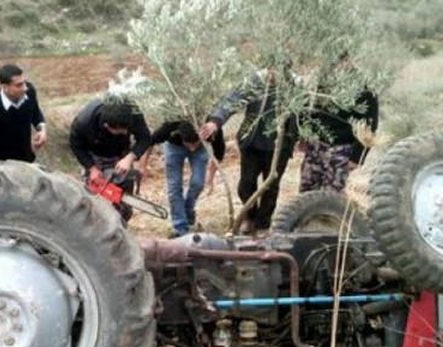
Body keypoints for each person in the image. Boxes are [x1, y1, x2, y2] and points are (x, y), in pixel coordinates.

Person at [199, 68, 297, 235]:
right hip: (252, 143)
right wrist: (215, 122)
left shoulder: (293, 85)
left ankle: (262, 225)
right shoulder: (254, 82)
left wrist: (299, 136)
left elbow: (303, 114)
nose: (272, 76)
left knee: (271, 187)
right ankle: (250, 217)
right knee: (245, 186)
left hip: (279, 146)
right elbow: (231, 101)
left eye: (277, 72)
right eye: (270, 71)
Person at [298, 55, 379, 192]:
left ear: (349, 60)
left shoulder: (365, 89)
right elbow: (312, 110)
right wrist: (304, 136)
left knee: (331, 195)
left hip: (341, 150)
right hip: (316, 146)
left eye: (341, 61)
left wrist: (357, 157)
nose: (336, 66)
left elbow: (370, 126)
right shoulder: (325, 82)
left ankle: (326, 214)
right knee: (306, 190)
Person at [69, 96, 152, 222]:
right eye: (120, 130)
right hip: (94, 156)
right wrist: (91, 168)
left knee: (123, 202)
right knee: (94, 203)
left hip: (120, 156)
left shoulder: (132, 113)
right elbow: (76, 145)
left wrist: (130, 157)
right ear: (107, 126)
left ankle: (122, 223)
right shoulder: (84, 121)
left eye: (127, 129)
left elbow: (145, 137)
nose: (125, 133)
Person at [151, 120, 225, 237]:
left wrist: (210, 179)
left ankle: (187, 211)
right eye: (189, 144)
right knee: (174, 186)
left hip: (201, 149)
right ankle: (181, 228)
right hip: (174, 148)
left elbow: (219, 154)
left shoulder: (212, 130)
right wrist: (142, 166)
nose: (191, 148)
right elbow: (149, 141)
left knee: (198, 183)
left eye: (194, 144)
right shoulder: (170, 127)